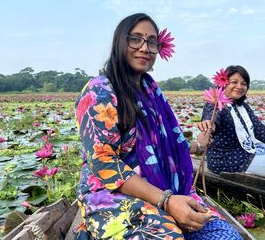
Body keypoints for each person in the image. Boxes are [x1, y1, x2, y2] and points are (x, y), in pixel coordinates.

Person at [74, 13, 242, 239]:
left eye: (152, 42)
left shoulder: (150, 91)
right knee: (169, 236)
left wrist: (196, 145)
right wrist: (166, 201)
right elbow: (104, 163)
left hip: (165, 189)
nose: (144, 48)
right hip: (111, 193)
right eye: (136, 39)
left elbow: (166, 142)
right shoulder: (100, 91)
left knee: (225, 235)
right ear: (120, 42)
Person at [198, 65, 265, 182]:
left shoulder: (242, 106)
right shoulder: (215, 104)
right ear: (223, 83)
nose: (239, 87)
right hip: (227, 160)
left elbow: (260, 130)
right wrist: (209, 125)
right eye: (234, 82)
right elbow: (211, 119)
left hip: (246, 153)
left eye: (244, 84)